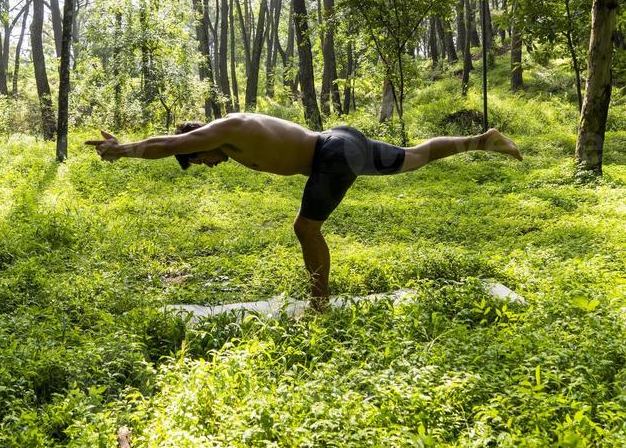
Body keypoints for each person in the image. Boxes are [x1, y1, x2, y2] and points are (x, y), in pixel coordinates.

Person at [86, 114, 522, 310]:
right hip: (339, 143)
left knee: (304, 228)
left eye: (203, 160)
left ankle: (319, 305)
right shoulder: (227, 134)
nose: (212, 165)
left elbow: (169, 144)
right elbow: (174, 142)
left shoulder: (225, 129)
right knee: (411, 156)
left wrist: (122, 150)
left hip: (332, 152)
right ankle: (482, 140)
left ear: (202, 144)